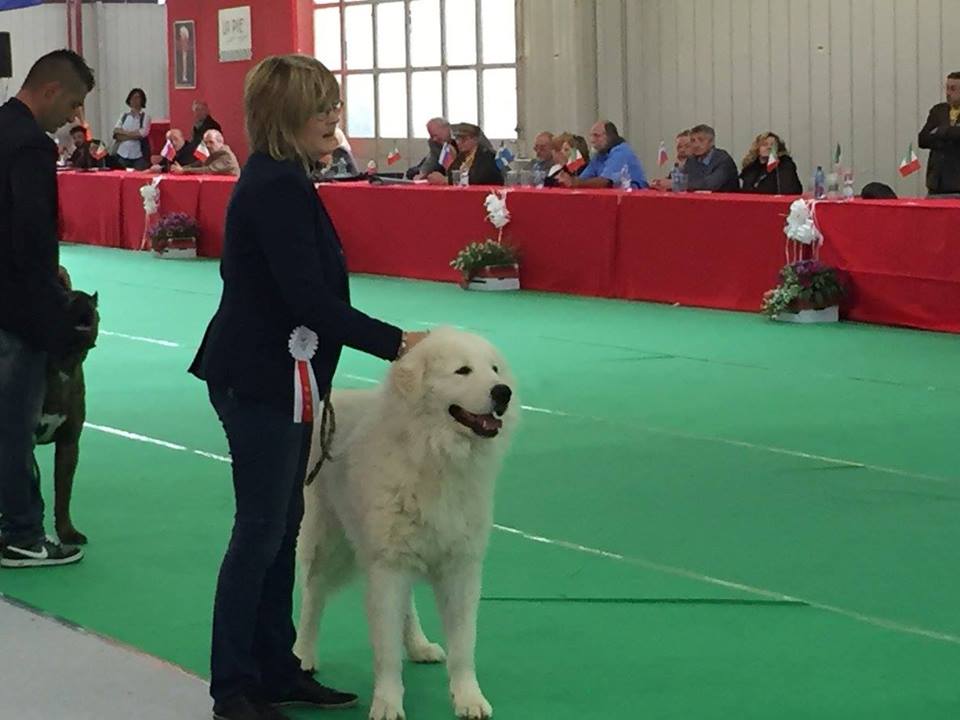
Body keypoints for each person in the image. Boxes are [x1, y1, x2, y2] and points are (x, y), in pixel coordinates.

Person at [188, 54, 428, 720]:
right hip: (259, 378)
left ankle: (275, 667)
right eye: (320, 107)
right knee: (260, 532)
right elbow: (308, 299)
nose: (332, 117)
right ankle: (233, 685)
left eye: (333, 105)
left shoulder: (285, 177)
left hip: (277, 378)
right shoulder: (276, 186)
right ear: (285, 114)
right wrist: (396, 343)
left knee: (283, 527)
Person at [0, 49, 95, 568]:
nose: (73, 116)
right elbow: (32, 234)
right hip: (16, 308)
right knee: (13, 427)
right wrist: (51, 307)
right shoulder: (32, 146)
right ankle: (22, 534)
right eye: (73, 103)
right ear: (51, 90)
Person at [556, 120, 647, 189]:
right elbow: (584, 178)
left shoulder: (621, 152)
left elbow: (604, 182)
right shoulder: (600, 155)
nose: (592, 140)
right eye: (591, 136)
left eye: (596, 136)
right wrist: (568, 177)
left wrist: (575, 183)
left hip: (634, 200)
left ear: (609, 136)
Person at [918, 71, 960, 196]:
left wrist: (941, 131)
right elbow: (923, 139)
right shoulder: (938, 111)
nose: (948, 93)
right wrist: (949, 134)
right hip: (937, 183)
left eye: (953, 89)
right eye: (947, 88)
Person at [427, 123, 503, 185]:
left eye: (463, 139)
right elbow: (452, 173)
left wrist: (446, 181)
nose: (458, 142)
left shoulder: (487, 156)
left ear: (475, 139)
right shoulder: (462, 156)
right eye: (457, 138)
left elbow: (477, 179)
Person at [738, 131, 803, 194]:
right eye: (765, 144)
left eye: (772, 145)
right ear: (757, 148)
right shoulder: (750, 168)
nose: (769, 147)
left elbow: (789, 189)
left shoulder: (784, 166)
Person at [683, 124, 739, 192]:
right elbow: (684, 179)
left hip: (724, 198)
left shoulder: (723, 160)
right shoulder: (691, 160)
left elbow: (710, 185)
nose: (696, 145)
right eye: (693, 141)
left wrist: (681, 184)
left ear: (711, 142)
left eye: (701, 140)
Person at [112, 87, 152, 170]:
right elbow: (116, 131)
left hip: (139, 156)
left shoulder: (145, 117)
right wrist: (133, 134)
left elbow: (142, 134)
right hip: (122, 154)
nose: (134, 100)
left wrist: (124, 133)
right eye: (132, 97)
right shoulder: (124, 116)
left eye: (137, 97)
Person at [171, 129, 240, 176]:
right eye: (206, 142)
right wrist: (181, 168)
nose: (207, 145)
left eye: (211, 142)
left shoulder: (226, 155)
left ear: (220, 142)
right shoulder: (214, 152)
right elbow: (199, 164)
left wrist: (183, 170)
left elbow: (208, 170)